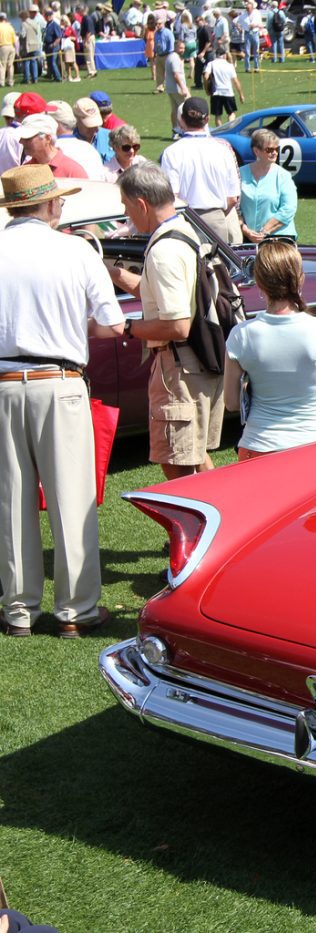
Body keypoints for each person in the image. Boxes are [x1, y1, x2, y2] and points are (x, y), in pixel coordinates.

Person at [0, 163, 124, 639]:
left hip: (6, 380)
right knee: (72, 497)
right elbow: (111, 323)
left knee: (12, 500)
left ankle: (19, 609)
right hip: (60, 378)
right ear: (51, 204)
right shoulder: (75, 250)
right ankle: (75, 609)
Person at [108, 162, 224, 479]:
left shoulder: (163, 252)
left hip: (178, 371)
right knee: (196, 461)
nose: (127, 215)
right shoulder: (184, 233)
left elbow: (177, 326)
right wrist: (113, 274)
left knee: (179, 468)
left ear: (141, 203)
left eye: (126, 207)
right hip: (196, 364)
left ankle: (203, 529)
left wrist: (126, 327)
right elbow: (159, 295)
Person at [223, 240, 316, 459]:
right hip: (313, 446)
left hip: (257, 447)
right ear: (300, 279)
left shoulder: (241, 335)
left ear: (259, 283)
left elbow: (232, 402)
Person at [160, 97, 242, 245]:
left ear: (181, 120)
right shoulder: (223, 150)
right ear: (207, 120)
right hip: (216, 220)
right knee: (218, 266)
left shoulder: (172, 152)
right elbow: (232, 198)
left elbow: (171, 196)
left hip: (185, 221)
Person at [238, 128, 297, 243]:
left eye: (276, 149)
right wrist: (246, 231)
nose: (274, 152)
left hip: (279, 239)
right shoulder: (240, 174)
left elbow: (288, 209)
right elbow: (234, 208)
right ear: (256, 151)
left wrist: (264, 232)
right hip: (247, 238)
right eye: (269, 149)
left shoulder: (283, 176)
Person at [17, 113, 84, 179]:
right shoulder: (24, 171)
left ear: (47, 138)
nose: (21, 141)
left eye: (28, 138)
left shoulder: (73, 172)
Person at [203, 48, 245, 126]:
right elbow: (236, 81)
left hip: (216, 93)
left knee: (218, 116)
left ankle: (220, 132)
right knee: (231, 113)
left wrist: (207, 88)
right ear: (224, 55)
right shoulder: (229, 66)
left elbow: (205, 76)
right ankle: (230, 128)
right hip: (228, 92)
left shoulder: (211, 64)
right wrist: (241, 95)